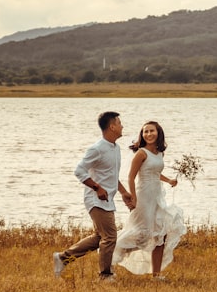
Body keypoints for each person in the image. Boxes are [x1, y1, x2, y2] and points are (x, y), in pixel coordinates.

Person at [53, 111, 134, 282]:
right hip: (95, 199)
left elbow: (111, 175)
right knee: (110, 236)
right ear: (112, 127)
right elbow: (79, 170)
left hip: (107, 200)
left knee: (100, 237)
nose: (122, 126)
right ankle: (105, 275)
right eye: (119, 123)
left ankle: (63, 258)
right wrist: (97, 187)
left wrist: (123, 192)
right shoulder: (97, 148)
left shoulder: (115, 148)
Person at [112, 120, 186, 279]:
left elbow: (155, 172)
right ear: (142, 135)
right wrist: (133, 198)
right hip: (143, 197)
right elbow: (131, 177)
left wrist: (169, 181)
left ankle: (156, 275)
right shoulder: (141, 153)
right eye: (145, 132)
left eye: (152, 131)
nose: (149, 134)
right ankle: (111, 254)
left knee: (161, 234)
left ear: (158, 133)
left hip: (157, 197)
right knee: (141, 234)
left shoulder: (159, 153)